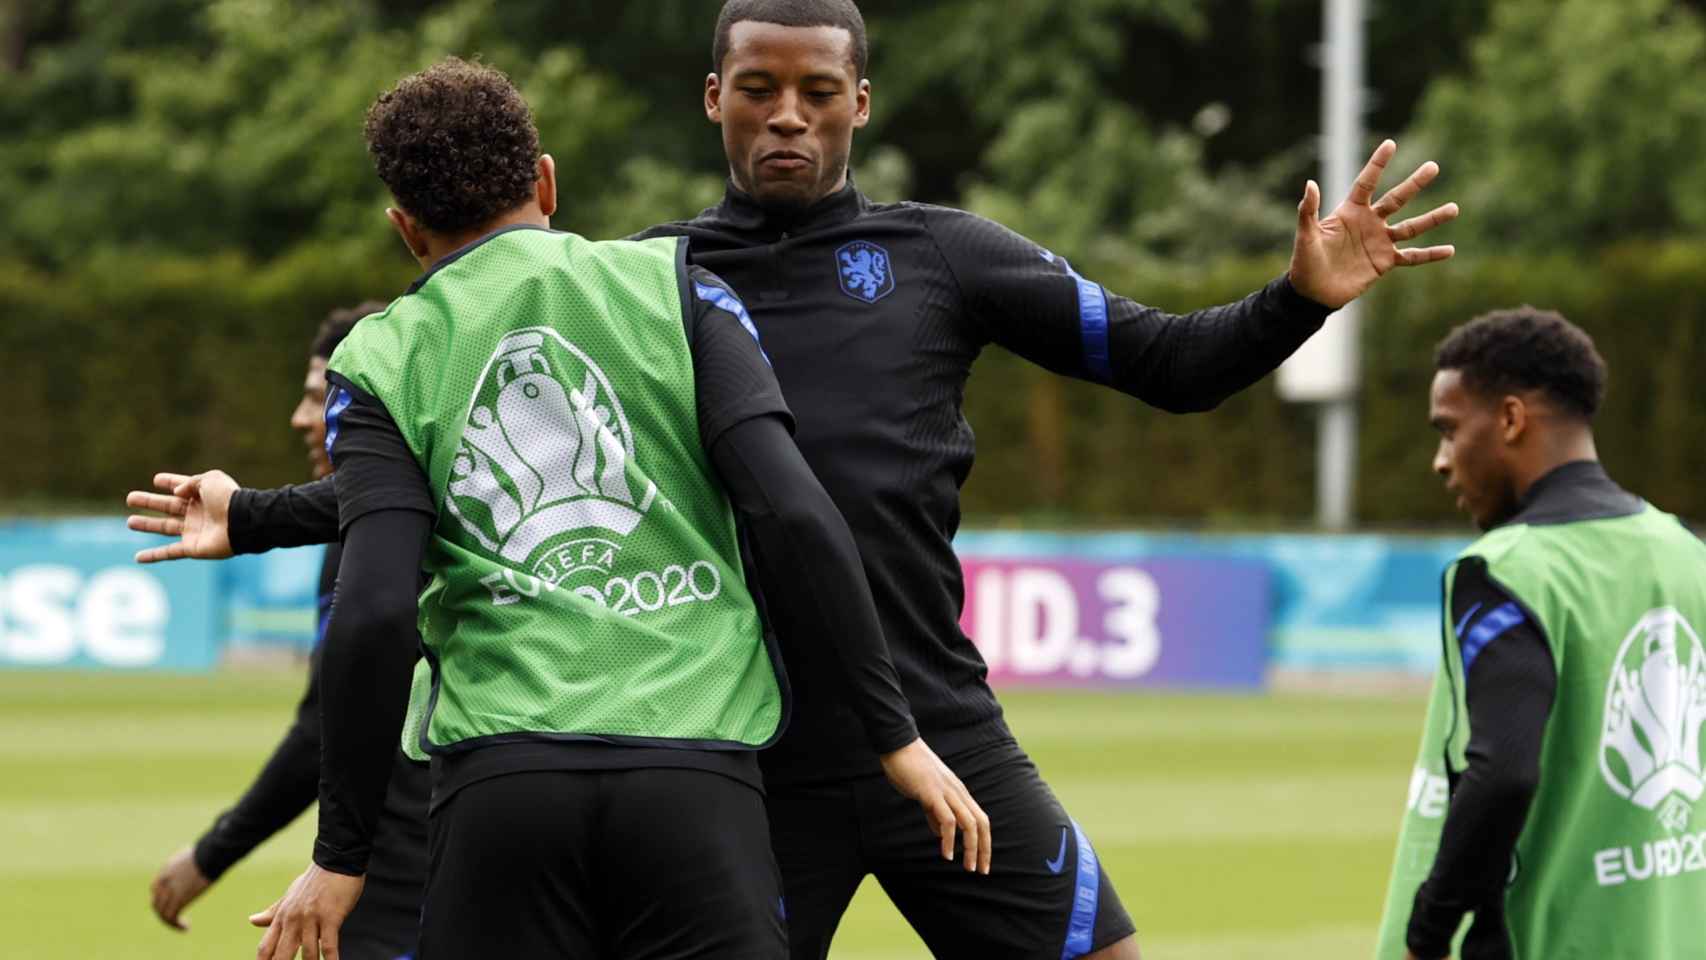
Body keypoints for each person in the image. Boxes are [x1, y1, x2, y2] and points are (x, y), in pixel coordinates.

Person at [130, 2, 1459, 956]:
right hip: (738, 748)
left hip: (931, 726)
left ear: (859, 103)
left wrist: (1297, 297)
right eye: (757, 87)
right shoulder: (648, 276)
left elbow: (1172, 364)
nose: (787, 114)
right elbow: (476, 469)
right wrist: (255, 515)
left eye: (817, 91)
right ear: (712, 97)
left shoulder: (945, 256)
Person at [152, 57, 980, 960]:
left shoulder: (383, 357)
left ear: (405, 229)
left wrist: (340, 857)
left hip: (503, 792)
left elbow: (377, 606)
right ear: (545, 180)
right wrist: (893, 734)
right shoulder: (683, 290)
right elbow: (796, 516)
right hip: (695, 782)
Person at [1375, 308, 1706, 959]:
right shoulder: (1684, 552)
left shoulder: (1510, 569)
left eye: (1448, 430)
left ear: (1509, 419)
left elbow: (1502, 773)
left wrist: (1428, 934)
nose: (1441, 461)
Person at [142, 303, 431, 960]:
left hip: (403, 871)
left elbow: (325, 724)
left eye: (319, 396)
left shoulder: (379, 537)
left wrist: (213, 853)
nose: (303, 418)